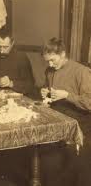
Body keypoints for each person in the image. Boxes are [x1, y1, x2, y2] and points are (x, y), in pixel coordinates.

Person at [40, 37, 91, 186]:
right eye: (47, 61)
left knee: (76, 165)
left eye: (53, 60)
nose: (50, 64)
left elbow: (89, 103)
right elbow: (49, 94)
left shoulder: (82, 71)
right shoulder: (49, 71)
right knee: (49, 161)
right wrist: (45, 93)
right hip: (58, 121)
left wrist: (67, 95)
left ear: (62, 54)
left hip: (79, 124)